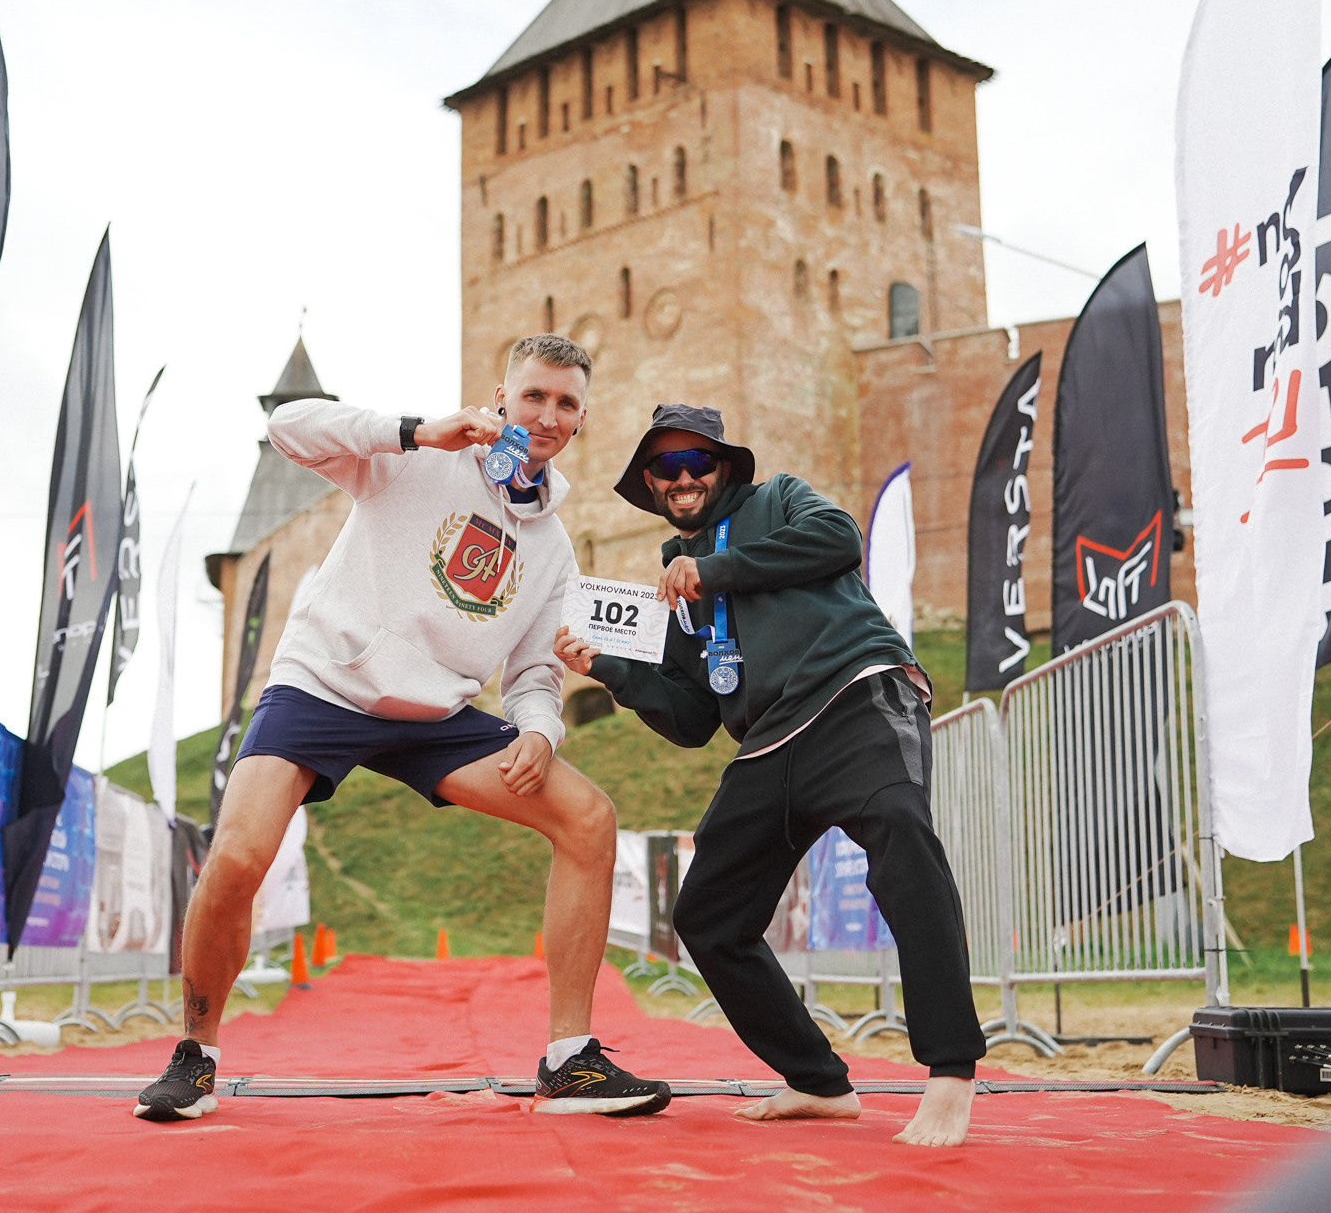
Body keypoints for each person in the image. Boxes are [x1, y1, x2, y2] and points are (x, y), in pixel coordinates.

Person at [136, 334, 669, 1123]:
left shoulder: (553, 548)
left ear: (582, 419)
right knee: (240, 855)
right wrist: (416, 429)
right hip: (325, 685)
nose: (547, 415)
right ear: (501, 397)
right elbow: (293, 428)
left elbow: (531, 671)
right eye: (534, 396)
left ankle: (568, 1064)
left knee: (589, 817)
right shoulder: (418, 457)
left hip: (437, 716)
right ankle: (197, 1054)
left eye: (565, 403)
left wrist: (537, 731)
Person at [553, 405, 985, 1148]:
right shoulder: (671, 589)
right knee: (708, 917)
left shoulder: (777, 500)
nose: (684, 477)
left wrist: (715, 570)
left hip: (855, 695)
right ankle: (818, 1082)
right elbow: (692, 718)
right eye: (666, 466)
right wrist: (615, 671)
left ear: (723, 466)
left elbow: (838, 539)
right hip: (767, 747)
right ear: (650, 484)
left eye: (697, 460)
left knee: (903, 840)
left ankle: (951, 1070)